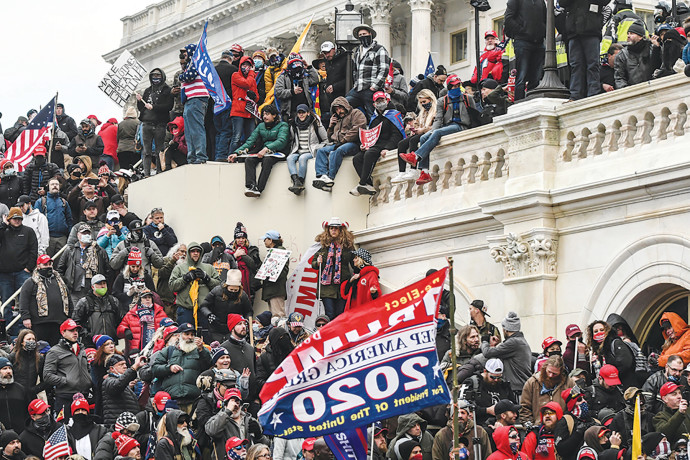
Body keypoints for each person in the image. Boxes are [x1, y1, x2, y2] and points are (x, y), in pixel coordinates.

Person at [399, 75, 475, 179]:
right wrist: (431, 132)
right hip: (448, 126)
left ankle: (416, 156)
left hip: (462, 126)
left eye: (458, 85)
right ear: (449, 87)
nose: (456, 88)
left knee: (437, 133)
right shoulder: (442, 101)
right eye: (453, 86)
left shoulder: (467, 98)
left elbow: (474, 114)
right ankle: (425, 171)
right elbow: (439, 119)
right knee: (423, 137)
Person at [228, 105, 289, 198]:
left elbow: (282, 141)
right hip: (262, 152)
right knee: (249, 160)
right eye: (263, 114)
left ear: (274, 115)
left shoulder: (283, 125)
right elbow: (250, 141)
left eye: (267, 114)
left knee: (267, 161)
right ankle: (250, 186)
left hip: (278, 152)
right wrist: (236, 153)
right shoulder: (261, 126)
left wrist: (266, 148)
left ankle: (259, 189)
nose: (264, 116)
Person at [351, 91, 405, 196]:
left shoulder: (394, 115)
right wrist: (365, 144)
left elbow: (397, 135)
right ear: (374, 104)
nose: (380, 103)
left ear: (387, 100)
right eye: (378, 101)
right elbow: (371, 134)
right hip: (375, 144)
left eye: (382, 100)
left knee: (370, 154)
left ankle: (362, 183)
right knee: (357, 158)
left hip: (386, 144)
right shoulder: (374, 118)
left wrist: (388, 148)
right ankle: (368, 183)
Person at [152, 322, 212, 408]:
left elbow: (208, 366)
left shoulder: (200, 351)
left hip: (194, 399)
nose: (190, 337)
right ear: (179, 335)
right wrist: (169, 368)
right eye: (186, 334)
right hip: (172, 400)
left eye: (192, 335)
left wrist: (202, 349)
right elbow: (155, 369)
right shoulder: (168, 351)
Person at [312, 97, 367, 191]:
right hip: (338, 143)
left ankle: (330, 178)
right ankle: (323, 176)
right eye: (336, 110)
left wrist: (343, 141)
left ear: (345, 106)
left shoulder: (356, 113)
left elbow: (357, 129)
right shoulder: (338, 120)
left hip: (353, 143)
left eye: (340, 108)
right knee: (321, 151)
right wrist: (330, 126)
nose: (339, 111)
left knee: (338, 151)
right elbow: (330, 138)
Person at [43, 319, 92, 417]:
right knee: (65, 427)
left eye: (76, 330)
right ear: (63, 332)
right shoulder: (54, 351)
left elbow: (87, 369)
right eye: (71, 330)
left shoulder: (82, 349)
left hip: (84, 395)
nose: (75, 333)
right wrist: (66, 381)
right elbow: (47, 376)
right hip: (66, 397)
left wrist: (88, 380)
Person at [19, 254, 71, 345]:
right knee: (40, 349)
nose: (48, 267)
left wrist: (69, 316)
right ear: (39, 266)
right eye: (45, 265)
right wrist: (25, 317)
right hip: (39, 323)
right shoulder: (31, 282)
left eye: (50, 264)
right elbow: (24, 300)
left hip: (59, 322)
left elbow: (68, 298)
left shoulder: (60, 281)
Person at [0, 207, 38, 328]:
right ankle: (8, 329)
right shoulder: (3, 231)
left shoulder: (28, 231)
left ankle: (24, 328)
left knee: (25, 301)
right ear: (9, 219)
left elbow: (33, 250)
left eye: (19, 218)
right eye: (14, 219)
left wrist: (29, 268)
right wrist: (3, 225)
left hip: (23, 272)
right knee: (6, 303)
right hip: (4, 273)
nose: (17, 221)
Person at [479, 311, 532, 395]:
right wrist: (495, 346)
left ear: (506, 329)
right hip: (520, 388)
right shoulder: (520, 341)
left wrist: (484, 341)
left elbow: (487, 353)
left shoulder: (513, 342)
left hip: (517, 390)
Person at [312, 218, 355, 319]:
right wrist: (318, 262)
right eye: (331, 228)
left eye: (336, 228)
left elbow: (355, 262)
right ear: (328, 230)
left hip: (342, 286)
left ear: (340, 230)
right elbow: (313, 263)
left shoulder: (347, 246)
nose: (333, 230)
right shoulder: (322, 246)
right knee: (330, 313)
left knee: (341, 313)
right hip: (327, 288)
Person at [169, 242, 221, 325]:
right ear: (189, 253)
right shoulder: (179, 268)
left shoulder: (209, 268)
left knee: (204, 336)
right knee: (186, 336)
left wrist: (206, 278)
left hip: (204, 309)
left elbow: (219, 286)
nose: (196, 253)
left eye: (198, 251)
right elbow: (172, 286)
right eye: (193, 251)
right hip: (186, 309)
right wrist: (185, 278)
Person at [56, 223, 110, 304]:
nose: (86, 235)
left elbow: (107, 270)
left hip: (93, 290)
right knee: (76, 313)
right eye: (84, 233)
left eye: (88, 233)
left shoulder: (99, 251)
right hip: (74, 290)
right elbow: (60, 269)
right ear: (78, 235)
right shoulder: (70, 250)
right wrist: (66, 284)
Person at [347, 24, 391, 120]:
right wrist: (355, 83)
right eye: (360, 35)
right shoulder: (358, 50)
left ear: (370, 34)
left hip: (371, 88)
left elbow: (384, 68)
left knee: (373, 114)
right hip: (358, 88)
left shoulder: (379, 49)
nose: (362, 36)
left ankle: (376, 133)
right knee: (345, 103)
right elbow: (355, 69)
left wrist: (375, 86)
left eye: (364, 34)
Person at [205, 390, 266, 460]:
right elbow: (211, 431)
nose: (235, 405)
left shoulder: (251, 421)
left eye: (237, 402)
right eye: (231, 402)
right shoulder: (217, 419)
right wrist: (228, 411)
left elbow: (266, 446)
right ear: (225, 405)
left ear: (241, 405)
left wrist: (259, 436)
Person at [392, 91, 436, 184]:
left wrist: (422, 129)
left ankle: (413, 169)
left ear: (430, 99)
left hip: (428, 132)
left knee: (413, 141)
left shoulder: (435, 110)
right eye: (421, 103)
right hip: (420, 131)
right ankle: (402, 171)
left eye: (424, 102)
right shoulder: (422, 112)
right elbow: (416, 122)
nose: (423, 104)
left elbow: (436, 125)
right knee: (401, 144)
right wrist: (414, 129)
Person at [136, 68, 173, 175]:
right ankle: (146, 173)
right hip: (146, 123)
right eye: (153, 75)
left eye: (158, 75)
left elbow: (169, 106)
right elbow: (141, 108)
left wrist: (154, 107)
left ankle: (159, 171)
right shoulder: (147, 90)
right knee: (146, 151)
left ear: (162, 76)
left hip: (159, 124)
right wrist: (139, 101)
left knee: (159, 150)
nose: (155, 78)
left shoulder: (167, 90)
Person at [179, 44, 210, 164]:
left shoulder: (197, 62)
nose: (183, 56)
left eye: (185, 53)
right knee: (189, 132)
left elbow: (188, 77)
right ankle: (192, 157)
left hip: (197, 99)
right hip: (190, 100)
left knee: (196, 129)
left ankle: (200, 156)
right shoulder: (189, 66)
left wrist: (181, 76)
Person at [520, 355, 574, 424]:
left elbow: (575, 406)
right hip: (538, 427)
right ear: (545, 367)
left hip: (562, 427)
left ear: (561, 372)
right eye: (549, 372)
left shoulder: (569, 383)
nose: (550, 375)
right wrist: (531, 427)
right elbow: (525, 408)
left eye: (554, 374)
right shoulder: (532, 383)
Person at [286, 105, 327, 195]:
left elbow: (325, 140)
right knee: (290, 158)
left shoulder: (316, 123)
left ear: (308, 113)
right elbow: (292, 139)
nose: (301, 115)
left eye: (303, 112)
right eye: (299, 113)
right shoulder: (294, 124)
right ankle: (296, 182)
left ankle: (300, 181)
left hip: (311, 150)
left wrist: (317, 148)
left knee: (302, 158)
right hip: (298, 149)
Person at [465, 358, 516, 427]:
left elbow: (514, 406)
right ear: (485, 371)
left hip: (501, 427)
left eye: (499, 377)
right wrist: (486, 410)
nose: (496, 380)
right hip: (479, 426)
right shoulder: (473, 383)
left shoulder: (504, 385)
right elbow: (465, 407)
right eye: (493, 377)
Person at [586, 319, 636, 388]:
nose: (599, 333)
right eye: (595, 331)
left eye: (601, 330)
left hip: (624, 385)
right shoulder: (597, 351)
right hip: (609, 387)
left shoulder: (615, 343)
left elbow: (626, 364)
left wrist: (611, 377)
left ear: (607, 330)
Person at [220, 315, 258, 406]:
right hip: (233, 400)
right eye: (239, 324)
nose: (244, 326)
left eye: (244, 324)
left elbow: (255, 372)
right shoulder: (224, 348)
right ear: (232, 328)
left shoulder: (250, 348)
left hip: (252, 400)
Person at [117, 289, 168, 353]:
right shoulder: (132, 313)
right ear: (140, 299)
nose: (147, 299)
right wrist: (125, 330)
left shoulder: (160, 312)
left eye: (149, 297)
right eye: (145, 297)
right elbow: (119, 330)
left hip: (156, 348)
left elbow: (168, 328)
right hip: (137, 350)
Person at [101, 353, 146, 426]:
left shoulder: (124, 383)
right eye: (121, 365)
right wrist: (134, 367)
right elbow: (117, 386)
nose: (125, 366)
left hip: (126, 425)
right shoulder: (107, 381)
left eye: (125, 364)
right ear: (112, 368)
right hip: (117, 427)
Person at [614, 21, 660, 89]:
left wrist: (657, 49)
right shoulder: (622, 55)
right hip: (632, 94)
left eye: (632, 34)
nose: (628, 36)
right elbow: (619, 78)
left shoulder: (651, 50)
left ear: (640, 37)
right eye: (628, 34)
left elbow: (659, 68)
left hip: (652, 90)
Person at [73, 273, 120, 340]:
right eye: (99, 284)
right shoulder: (84, 302)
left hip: (110, 342)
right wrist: (87, 335)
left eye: (104, 283)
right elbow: (75, 322)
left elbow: (120, 320)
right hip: (91, 343)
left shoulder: (113, 301)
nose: (102, 286)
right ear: (92, 287)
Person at [274, 54, 319, 122]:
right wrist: (292, 92)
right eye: (295, 68)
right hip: (290, 113)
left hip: (306, 112)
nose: (297, 70)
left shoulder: (305, 77)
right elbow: (278, 92)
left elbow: (315, 80)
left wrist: (309, 67)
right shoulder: (282, 77)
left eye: (299, 68)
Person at [112, 248, 156, 315]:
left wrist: (145, 291)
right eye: (133, 266)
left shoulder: (146, 276)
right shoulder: (122, 277)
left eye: (138, 266)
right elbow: (115, 294)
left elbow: (153, 293)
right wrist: (128, 294)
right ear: (129, 266)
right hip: (125, 309)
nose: (135, 269)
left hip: (144, 309)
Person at [35, 178, 73, 257]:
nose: (54, 186)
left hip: (62, 238)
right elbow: (36, 221)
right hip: (48, 238)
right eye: (52, 184)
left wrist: (69, 234)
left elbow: (69, 220)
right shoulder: (41, 202)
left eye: (57, 184)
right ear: (48, 187)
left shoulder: (64, 202)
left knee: (61, 263)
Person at [229, 56, 258, 156]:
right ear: (240, 65)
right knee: (236, 137)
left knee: (250, 137)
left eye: (249, 65)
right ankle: (231, 155)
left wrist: (254, 97)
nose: (246, 67)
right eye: (244, 65)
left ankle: (246, 156)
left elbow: (257, 96)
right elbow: (246, 84)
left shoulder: (252, 79)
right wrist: (251, 73)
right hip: (238, 111)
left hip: (249, 112)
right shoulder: (235, 75)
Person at [227, 224, 262, 301]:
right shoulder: (229, 251)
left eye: (243, 238)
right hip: (233, 286)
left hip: (249, 286)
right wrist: (235, 255)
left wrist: (243, 255)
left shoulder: (252, 250)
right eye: (238, 238)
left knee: (248, 309)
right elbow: (226, 266)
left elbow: (254, 265)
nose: (241, 240)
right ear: (235, 239)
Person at [68, 394, 108, 460]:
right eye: (77, 410)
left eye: (83, 410)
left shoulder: (100, 431)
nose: (80, 412)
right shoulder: (68, 433)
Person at [340, 247, 379, 311]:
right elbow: (346, 294)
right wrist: (350, 280)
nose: (353, 260)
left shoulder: (371, 274)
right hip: (354, 313)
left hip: (364, 312)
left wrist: (373, 292)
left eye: (355, 258)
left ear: (361, 260)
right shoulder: (356, 276)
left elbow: (375, 294)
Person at [9, 330, 45, 400]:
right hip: (15, 396)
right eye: (28, 339)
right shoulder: (13, 357)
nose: (31, 341)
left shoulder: (39, 358)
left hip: (32, 397)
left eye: (33, 339)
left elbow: (45, 380)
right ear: (22, 342)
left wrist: (34, 390)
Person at [260, 231, 289, 317]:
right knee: (274, 316)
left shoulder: (279, 252)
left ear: (270, 240)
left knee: (278, 316)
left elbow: (282, 272)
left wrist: (268, 275)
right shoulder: (274, 251)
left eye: (265, 239)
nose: (264, 241)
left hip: (276, 289)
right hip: (273, 289)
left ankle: (281, 330)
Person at [0, 357, 30, 434]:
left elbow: (29, 412)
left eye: (10, 368)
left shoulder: (21, 389)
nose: (8, 371)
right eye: (4, 368)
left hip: (21, 433)